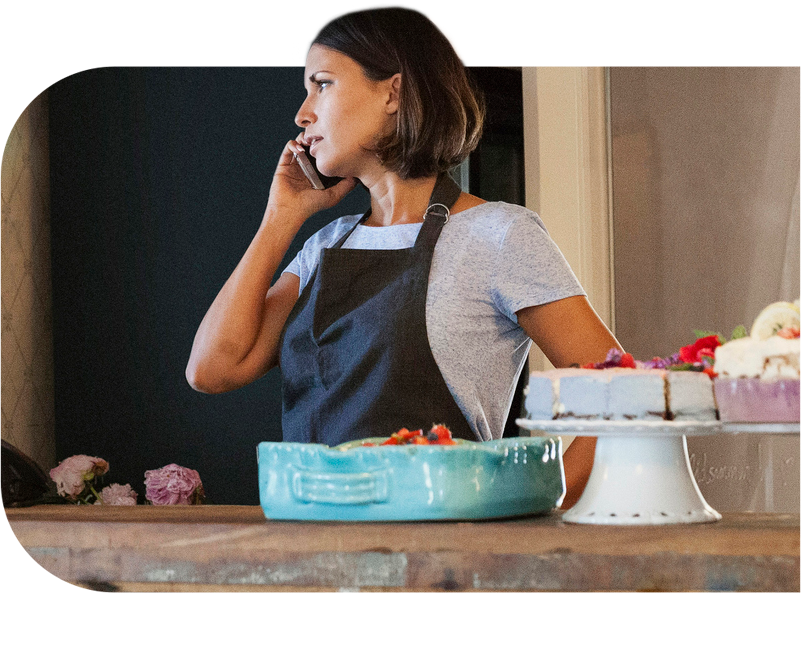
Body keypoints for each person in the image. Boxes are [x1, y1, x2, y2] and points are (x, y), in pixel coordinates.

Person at [185, 7, 621, 506]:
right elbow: (213, 369)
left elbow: (616, 394)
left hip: (439, 560)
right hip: (310, 547)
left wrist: (542, 514)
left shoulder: (499, 235)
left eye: (322, 84)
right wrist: (280, 218)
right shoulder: (328, 245)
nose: (303, 113)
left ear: (393, 92)